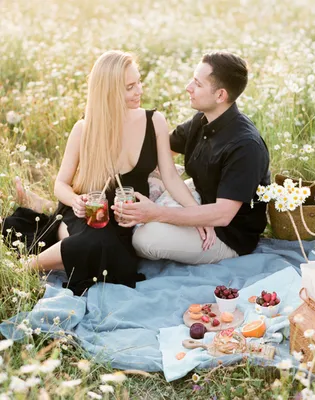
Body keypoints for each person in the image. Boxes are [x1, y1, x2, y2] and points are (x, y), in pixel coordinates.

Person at [3, 50, 216, 295]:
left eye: (139, 82)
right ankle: (24, 269)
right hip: (89, 212)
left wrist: (198, 215)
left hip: (125, 219)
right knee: (96, 242)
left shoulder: (154, 120)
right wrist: (75, 201)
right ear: (109, 91)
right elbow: (61, 183)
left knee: (117, 260)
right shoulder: (84, 128)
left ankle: (54, 228)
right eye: (130, 87)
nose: (139, 91)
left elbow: (170, 177)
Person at [114, 51, 270, 265]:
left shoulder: (246, 146)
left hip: (227, 234)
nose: (188, 87)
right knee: (142, 188)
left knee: (143, 239)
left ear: (220, 95)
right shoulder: (202, 120)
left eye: (197, 84)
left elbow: (222, 215)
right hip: (200, 199)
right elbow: (161, 149)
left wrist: (157, 213)